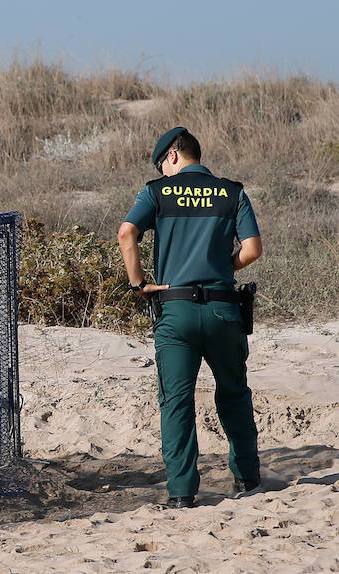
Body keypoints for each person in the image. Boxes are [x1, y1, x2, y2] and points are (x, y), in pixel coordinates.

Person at [117, 127, 263, 509]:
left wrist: (138, 285)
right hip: (223, 308)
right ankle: (248, 478)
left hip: (175, 311)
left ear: (173, 156)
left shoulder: (156, 192)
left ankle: (182, 493)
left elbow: (126, 232)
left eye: (161, 164)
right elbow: (253, 249)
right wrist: (224, 267)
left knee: (176, 401)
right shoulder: (232, 192)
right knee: (234, 394)